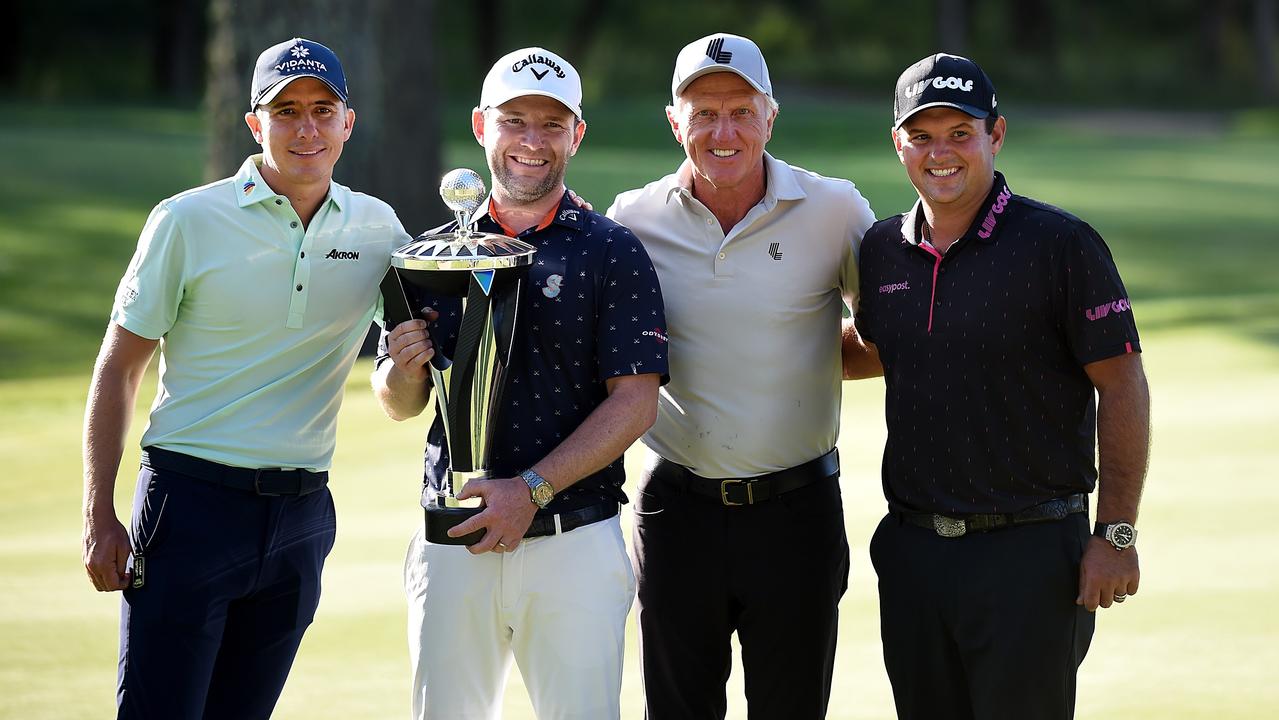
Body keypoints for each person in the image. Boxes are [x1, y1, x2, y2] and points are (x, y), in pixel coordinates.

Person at [80, 38, 410, 718]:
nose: (307, 128)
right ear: (255, 124)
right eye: (285, 111)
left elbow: (404, 393)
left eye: (323, 109)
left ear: (348, 122)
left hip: (302, 516)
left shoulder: (378, 228)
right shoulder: (186, 219)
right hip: (189, 505)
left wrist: (410, 373)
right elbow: (119, 367)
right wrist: (98, 513)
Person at [372, 46, 667, 720]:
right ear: (481, 127)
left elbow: (635, 401)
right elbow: (401, 402)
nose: (531, 142)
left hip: (573, 540)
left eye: (551, 124)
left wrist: (530, 489)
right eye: (514, 121)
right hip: (452, 537)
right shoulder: (434, 251)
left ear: (576, 135)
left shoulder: (610, 249)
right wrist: (402, 370)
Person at [855, 53, 1151, 720]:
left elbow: (1122, 385)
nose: (940, 153)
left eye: (960, 132)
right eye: (921, 135)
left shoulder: (1059, 245)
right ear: (896, 143)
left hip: (1030, 554)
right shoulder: (879, 249)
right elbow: (877, 349)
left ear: (996, 134)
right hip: (912, 552)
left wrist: (1116, 533)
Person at [607, 32, 879, 719]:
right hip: (675, 511)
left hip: (797, 513)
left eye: (740, 111)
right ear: (675, 121)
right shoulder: (631, 220)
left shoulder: (835, 208)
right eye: (702, 113)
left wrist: (807, 357)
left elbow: (889, 337)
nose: (721, 131)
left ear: (770, 115)